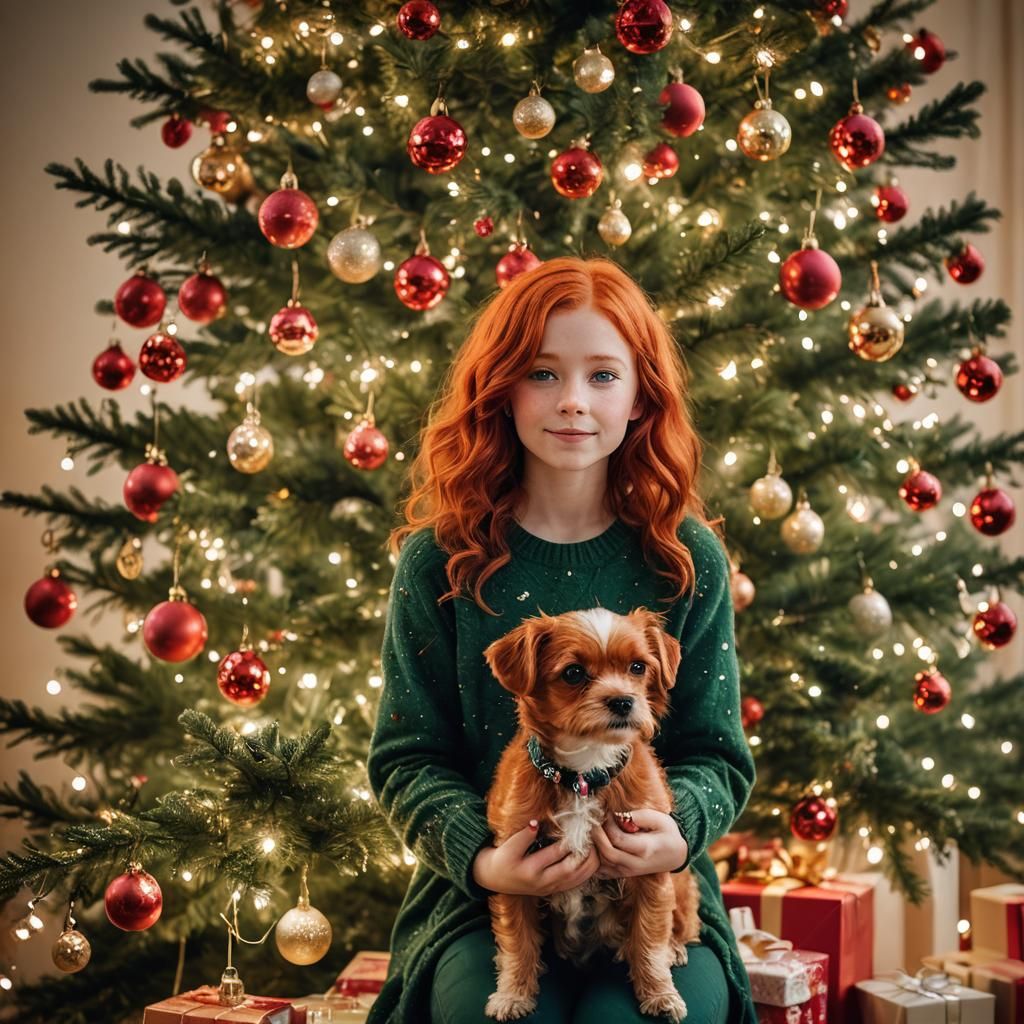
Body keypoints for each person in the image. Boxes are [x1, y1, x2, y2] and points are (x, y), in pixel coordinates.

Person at [365, 257, 757, 1024]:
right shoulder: (441, 559)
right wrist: (483, 861)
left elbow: (718, 752)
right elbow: (405, 758)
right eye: (543, 374)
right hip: (483, 904)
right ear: (501, 388)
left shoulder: (684, 558)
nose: (574, 401)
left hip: (652, 900)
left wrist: (677, 839)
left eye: (603, 376)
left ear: (642, 394)